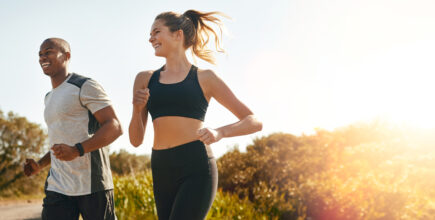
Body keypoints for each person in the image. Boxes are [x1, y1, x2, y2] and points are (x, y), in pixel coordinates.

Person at [129, 10, 263, 220]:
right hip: (161, 166)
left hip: (196, 166)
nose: (150, 38)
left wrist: (220, 132)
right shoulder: (144, 79)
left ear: (177, 35)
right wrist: (137, 110)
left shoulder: (205, 78)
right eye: (150, 34)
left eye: (157, 32)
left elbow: (254, 121)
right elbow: (136, 141)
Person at [23, 38, 123, 220]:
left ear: (67, 55)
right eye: (40, 54)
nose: (43, 57)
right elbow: (60, 143)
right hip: (58, 185)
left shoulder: (84, 85)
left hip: (92, 184)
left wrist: (77, 150)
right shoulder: (48, 97)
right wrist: (39, 165)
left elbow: (114, 126)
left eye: (48, 52)